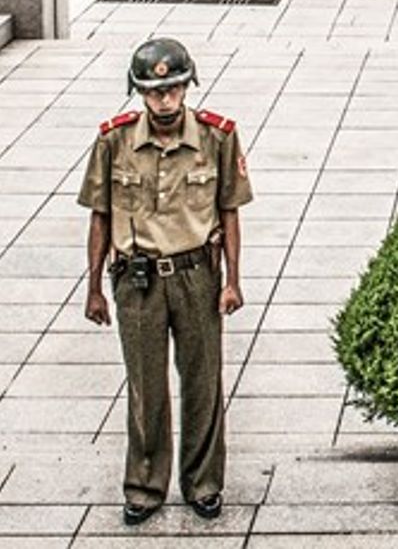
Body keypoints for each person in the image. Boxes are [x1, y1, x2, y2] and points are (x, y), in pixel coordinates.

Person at [79, 38, 253, 525]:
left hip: (197, 274)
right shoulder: (112, 141)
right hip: (137, 281)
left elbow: (229, 210)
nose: (165, 100)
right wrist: (93, 287)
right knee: (145, 386)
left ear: (187, 87)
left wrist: (232, 280)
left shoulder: (218, 137)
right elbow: (99, 216)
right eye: (155, 91)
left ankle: (202, 483)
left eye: (174, 89)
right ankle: (144, 486)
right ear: (139, 93)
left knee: (202, 382)